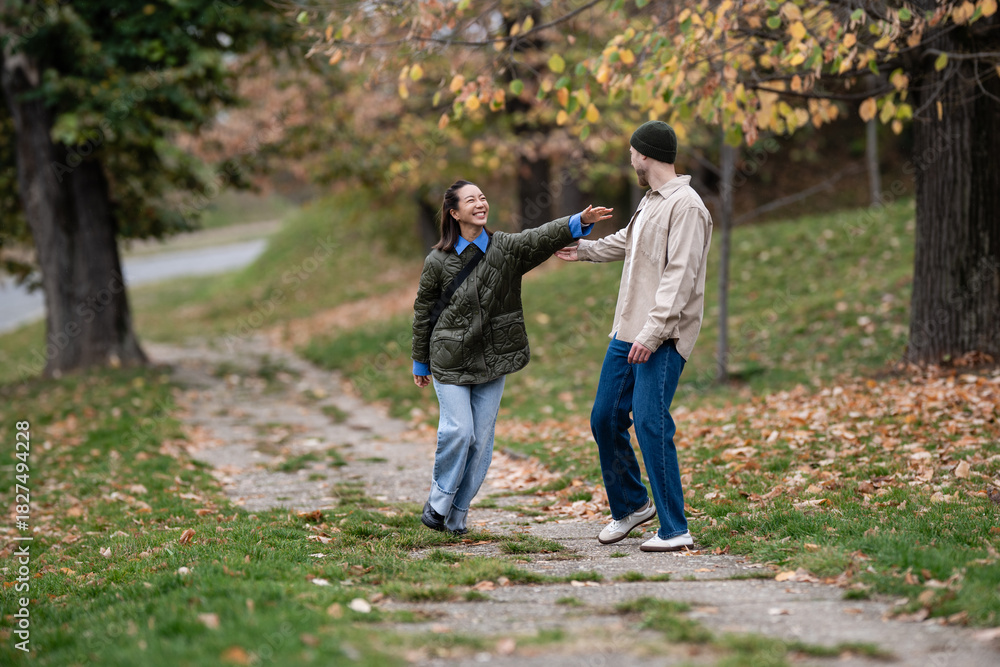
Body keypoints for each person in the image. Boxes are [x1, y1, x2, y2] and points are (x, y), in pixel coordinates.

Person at [412, 180, 613, 535]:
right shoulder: (437, 261)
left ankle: (457, 516)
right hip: (449, 357)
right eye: (471, 200)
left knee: (481, 442)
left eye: (483, 197)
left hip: (494, 359)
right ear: (454, 213)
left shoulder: (506, 247)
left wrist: (578, 221)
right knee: (459, 431)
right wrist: (420, 360)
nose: (480, 203)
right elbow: (424, 311)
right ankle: (438, 501)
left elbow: (539, 238)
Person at [555, 121, 712, 552]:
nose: (629, 159)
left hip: (663, 333)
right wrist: (584, 250)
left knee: (649, 421)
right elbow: (629, 241)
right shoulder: (651, 201)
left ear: (645, 154)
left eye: (631, 152)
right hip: (629, 329)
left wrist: (653, 332)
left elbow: (680, 276)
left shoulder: (687, 206)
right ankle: (630, 506)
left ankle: (675, 529)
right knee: (605, 418)